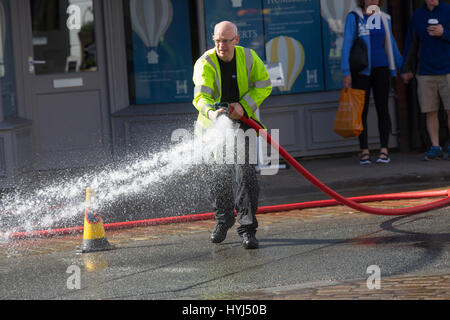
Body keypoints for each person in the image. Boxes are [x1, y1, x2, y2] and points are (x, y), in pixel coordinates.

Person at [192, 21, 272, 249]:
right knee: (217, 176)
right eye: (216, 40)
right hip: (213, 126)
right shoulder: (205, 62)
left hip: (243, 124)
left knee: (245, 175)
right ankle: (223, 220)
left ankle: (247, 228)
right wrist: (213, 113)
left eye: (225, 41)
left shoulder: (249, 57)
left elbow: (264, 85)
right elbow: (201, 97)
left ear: (236, 40)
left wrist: (243, 107)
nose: (220, 46)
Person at [341, 0, 403, 165]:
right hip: (361, 71)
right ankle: (364, 151)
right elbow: (346, 44)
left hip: (381, 68)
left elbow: (391, 44)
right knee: (362, 111)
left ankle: (384, 149)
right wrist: (346, 71)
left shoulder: (384, 18)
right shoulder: (354, 17)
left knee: (383, 109)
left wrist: (401, 66)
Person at [401, 0, 450, 161]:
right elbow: (411, 43)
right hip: (425, 71)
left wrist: (444, 32)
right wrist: (407, 68)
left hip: (447, 70)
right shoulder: (418, 16)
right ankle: (435, 146)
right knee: (430, 111)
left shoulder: (447, 11)